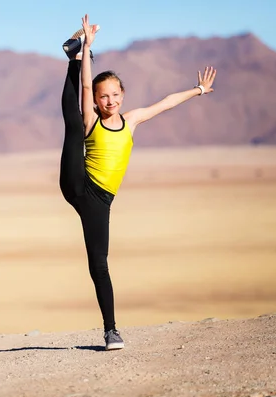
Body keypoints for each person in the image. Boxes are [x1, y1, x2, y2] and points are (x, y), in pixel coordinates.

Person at [59, 14, 217, 350]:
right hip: (77, 181)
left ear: (123, 95)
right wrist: (87, 48)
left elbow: (165, 103)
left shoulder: (131, 122)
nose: (109, 100)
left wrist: (198, 90)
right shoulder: (93, 120)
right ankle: (72, 60)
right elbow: (87, 88)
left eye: (114, 94)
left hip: (99, 201)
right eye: (104, 96)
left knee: (99, 264)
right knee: (74, 124)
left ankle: (110, 330)